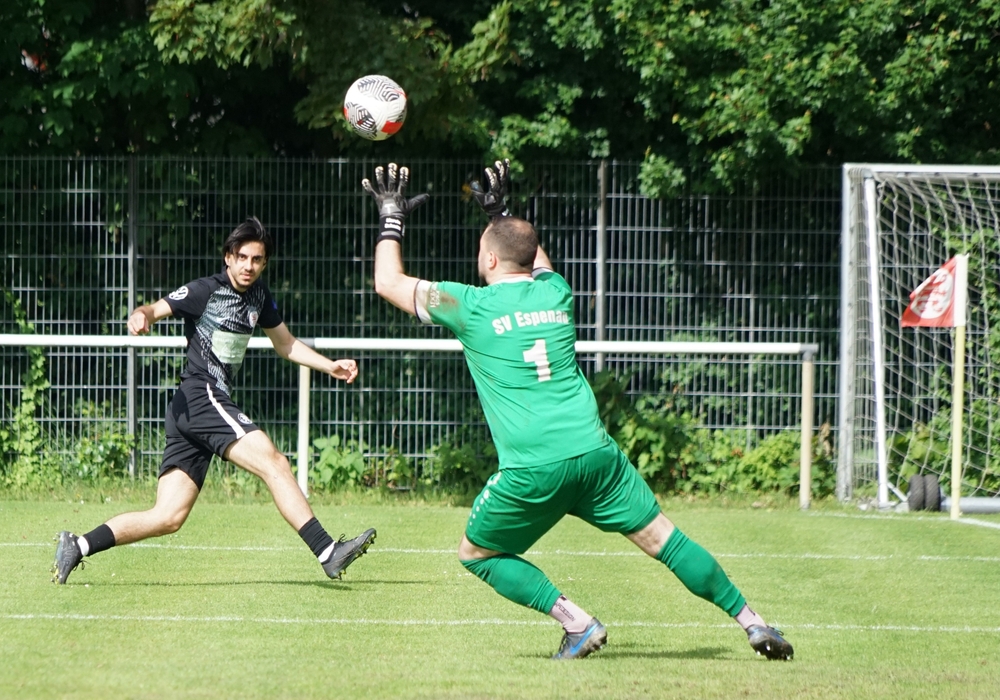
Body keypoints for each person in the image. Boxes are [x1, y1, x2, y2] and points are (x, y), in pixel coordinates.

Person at [364, 161, 793, 661]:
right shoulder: (557, 293)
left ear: (491, 260)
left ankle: (577, 622)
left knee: (476, 553)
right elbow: (534, 258)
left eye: (484, 247)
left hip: (534, 466)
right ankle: (753, 623)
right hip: (595, 453)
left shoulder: (470, 306)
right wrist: (501, 214)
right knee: (665, 538)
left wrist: (391, 216)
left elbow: (387, 282)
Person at [52, 217, 376, 584]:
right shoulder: (205, 291)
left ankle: (77, 545)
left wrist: (329, 366)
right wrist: (141, 317)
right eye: (242, 257)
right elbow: (154, 309)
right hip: (201, 396)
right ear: (228, 257)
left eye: (257, 259)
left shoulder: (259, 296)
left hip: (191, 409)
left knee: (168, 517)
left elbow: (285, 344)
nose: (248, 266)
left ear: (264, 263)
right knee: (274, 462)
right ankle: (327, 552)